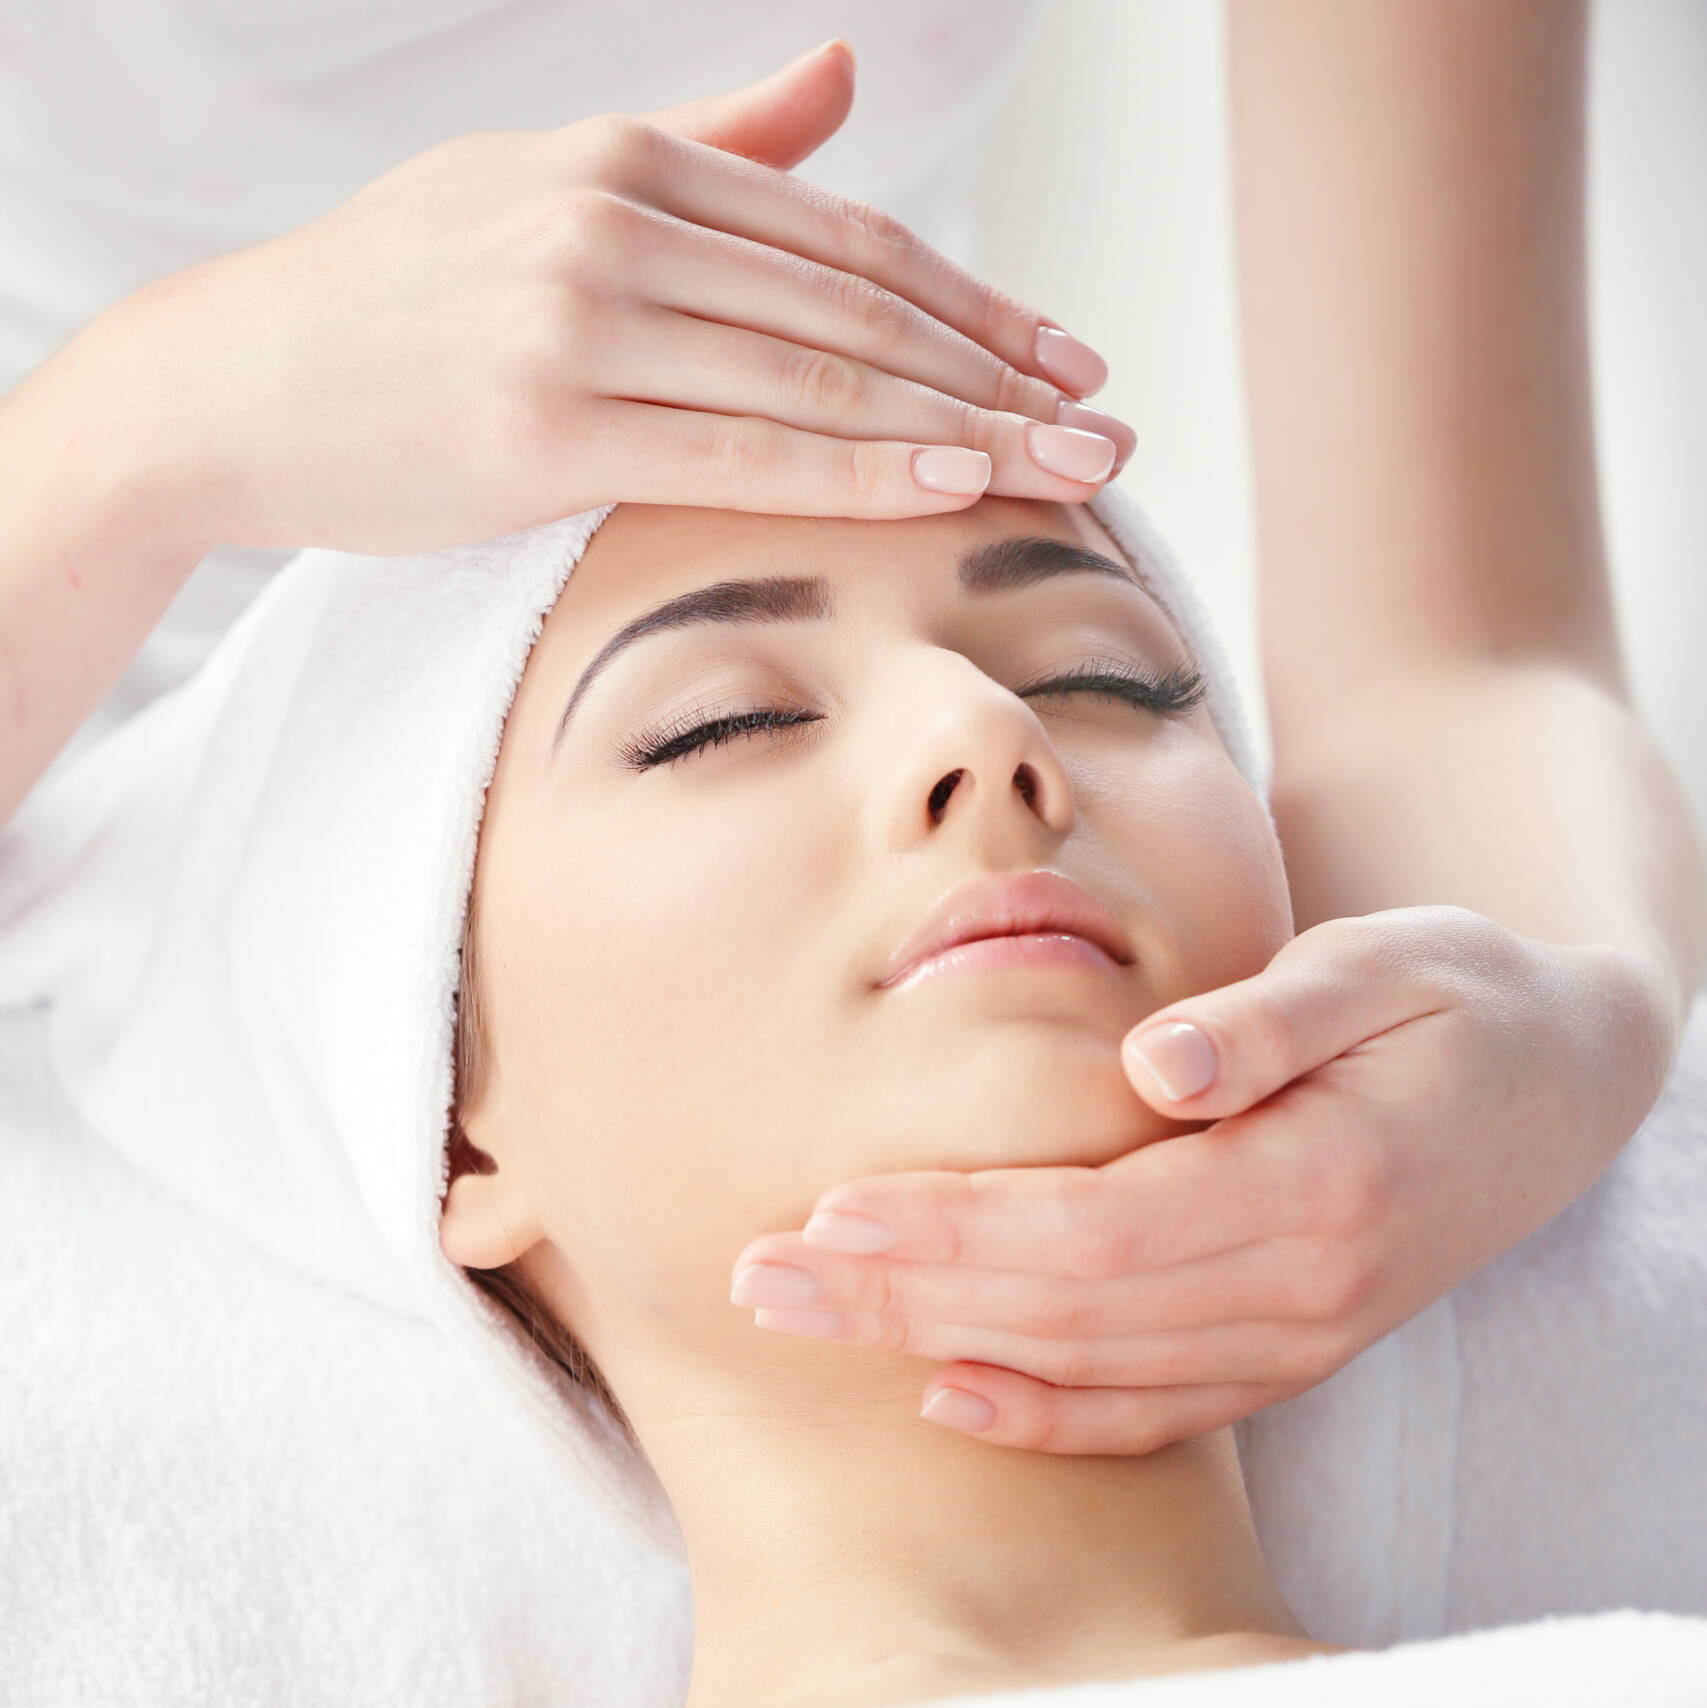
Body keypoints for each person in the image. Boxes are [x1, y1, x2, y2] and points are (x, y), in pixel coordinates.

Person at [1, 2, 1701, 1469]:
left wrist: (1583, 1023)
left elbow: (1458, 663)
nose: (987, 736)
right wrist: (139, 428)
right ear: (444, 1120)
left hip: (910, 471)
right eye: (726, 725)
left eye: (1118, 683)